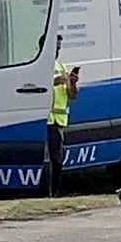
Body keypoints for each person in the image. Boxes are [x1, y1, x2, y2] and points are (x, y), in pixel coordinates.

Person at [44, 58, 81, 188]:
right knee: (46, 159)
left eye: (59, 47)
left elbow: (72, 95)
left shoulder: (62, 67)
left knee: (57, 158)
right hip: (44, 118)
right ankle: (47, 191)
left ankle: (55, 191)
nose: (57, 51)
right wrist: (54, 81)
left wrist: (73, 82)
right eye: (55, 47)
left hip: (58, 120)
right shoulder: (40, 66)